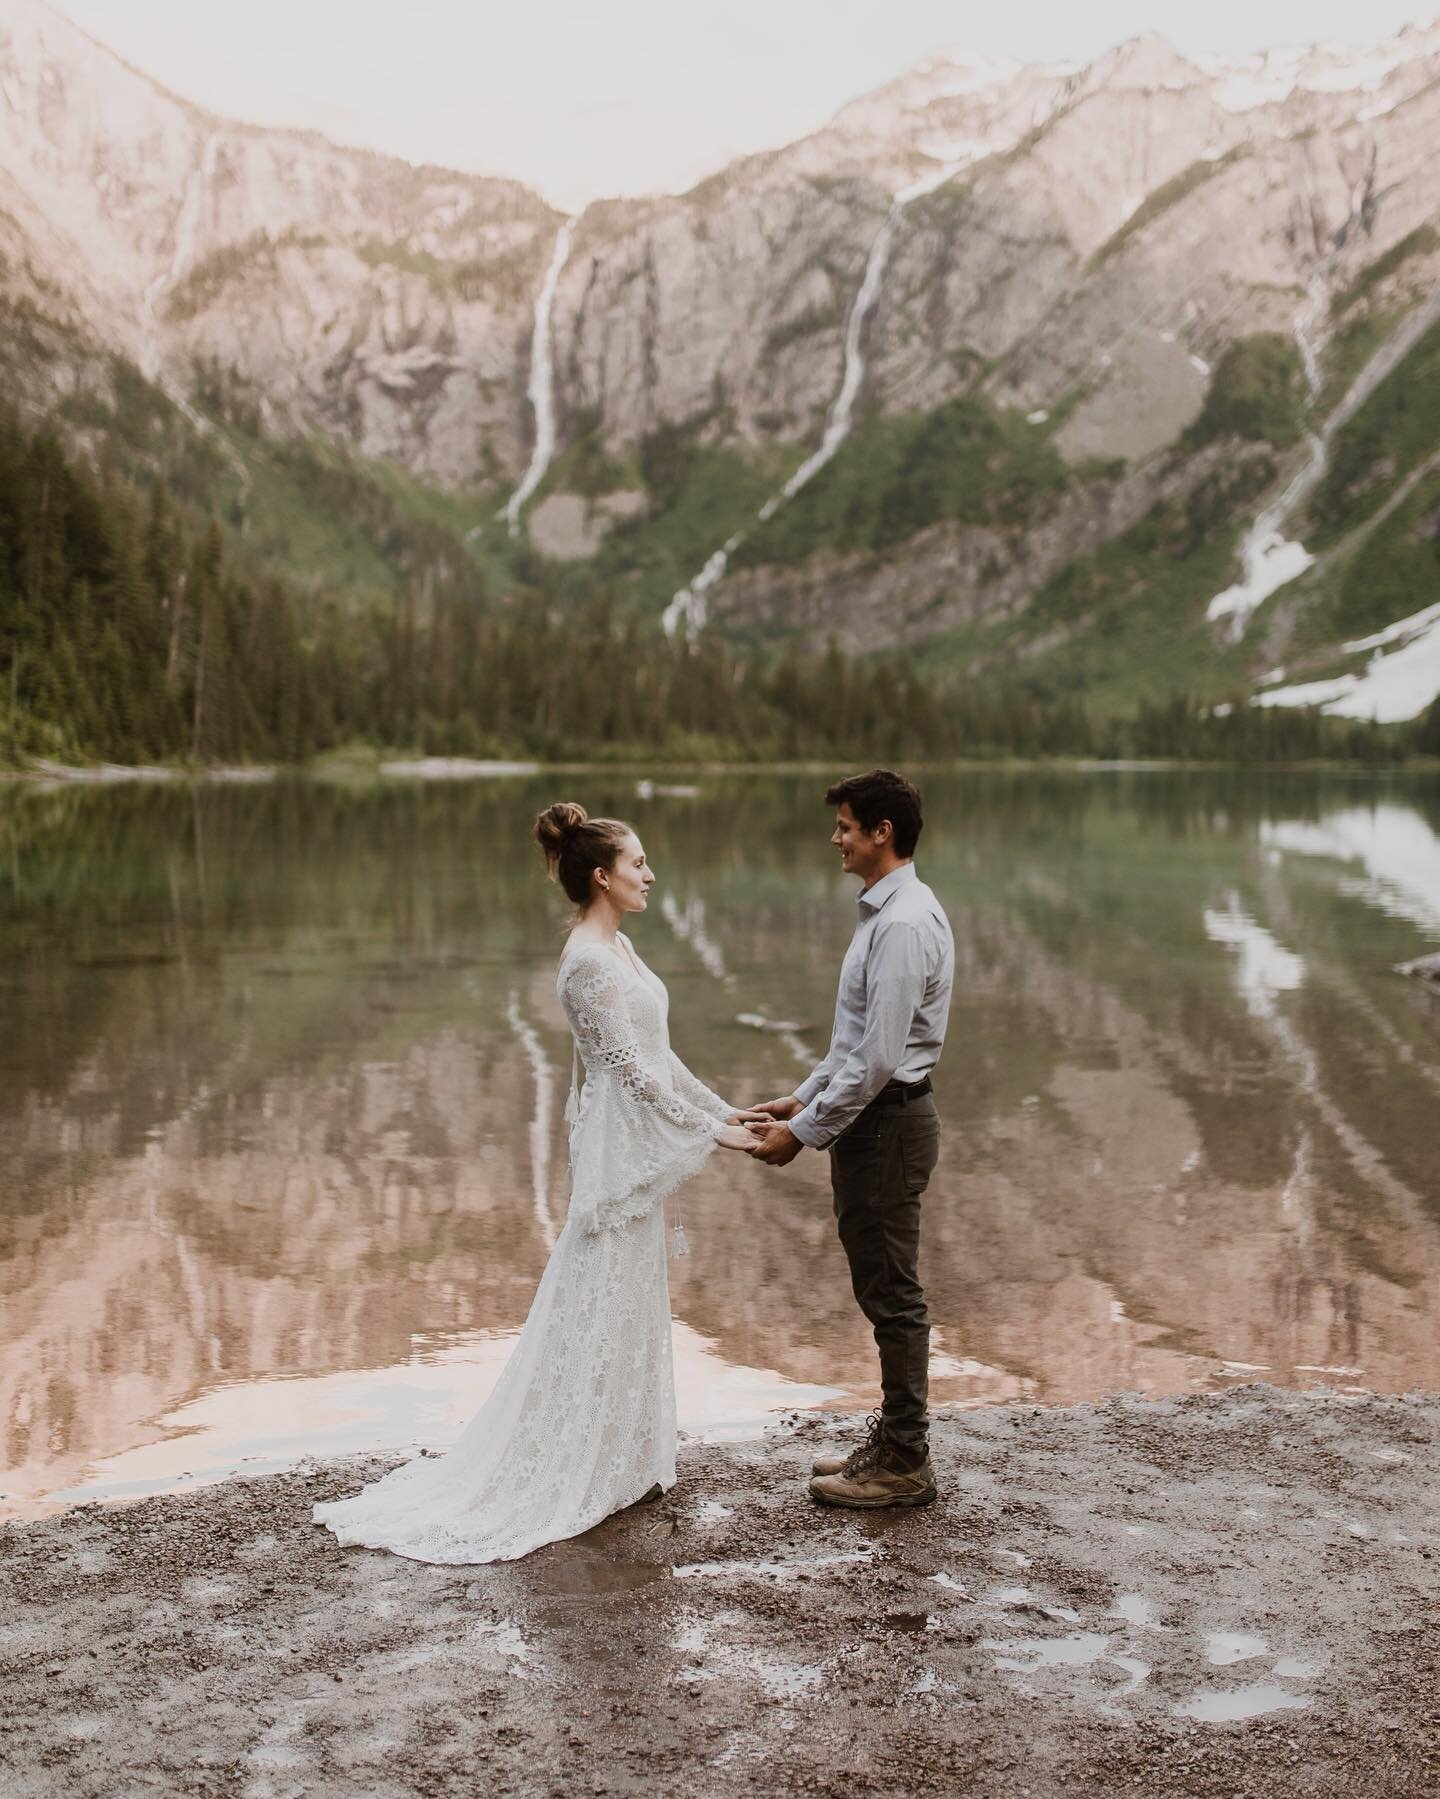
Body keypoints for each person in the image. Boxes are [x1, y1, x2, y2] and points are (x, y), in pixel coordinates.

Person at [312, 802, 758, 1564]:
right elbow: (630, 1073)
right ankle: (573, 1459)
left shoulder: (619, 948)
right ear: (602, 876)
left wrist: (727, 1108)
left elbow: (662, 1054)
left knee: (629, 1293)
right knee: (601, 1289)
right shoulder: (587, 959)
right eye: (638, 863)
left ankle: (622, 1458)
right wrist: (713, 1132)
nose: (650, 874)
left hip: (635, 1152)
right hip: (619, 1156)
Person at [748, 769, 954, 1510]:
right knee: (880, 1285)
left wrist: (801, 1133)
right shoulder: (886, 912)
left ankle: (905, 1460)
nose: (835, 838)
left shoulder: (900, 923)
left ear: (881, 833)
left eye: (845, 826)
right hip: (878, 1121)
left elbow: (877, 1060)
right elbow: (855, 1042)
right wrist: (802, 1095)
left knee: (893, 1292)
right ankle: (896, 1438)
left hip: (889, 1124)